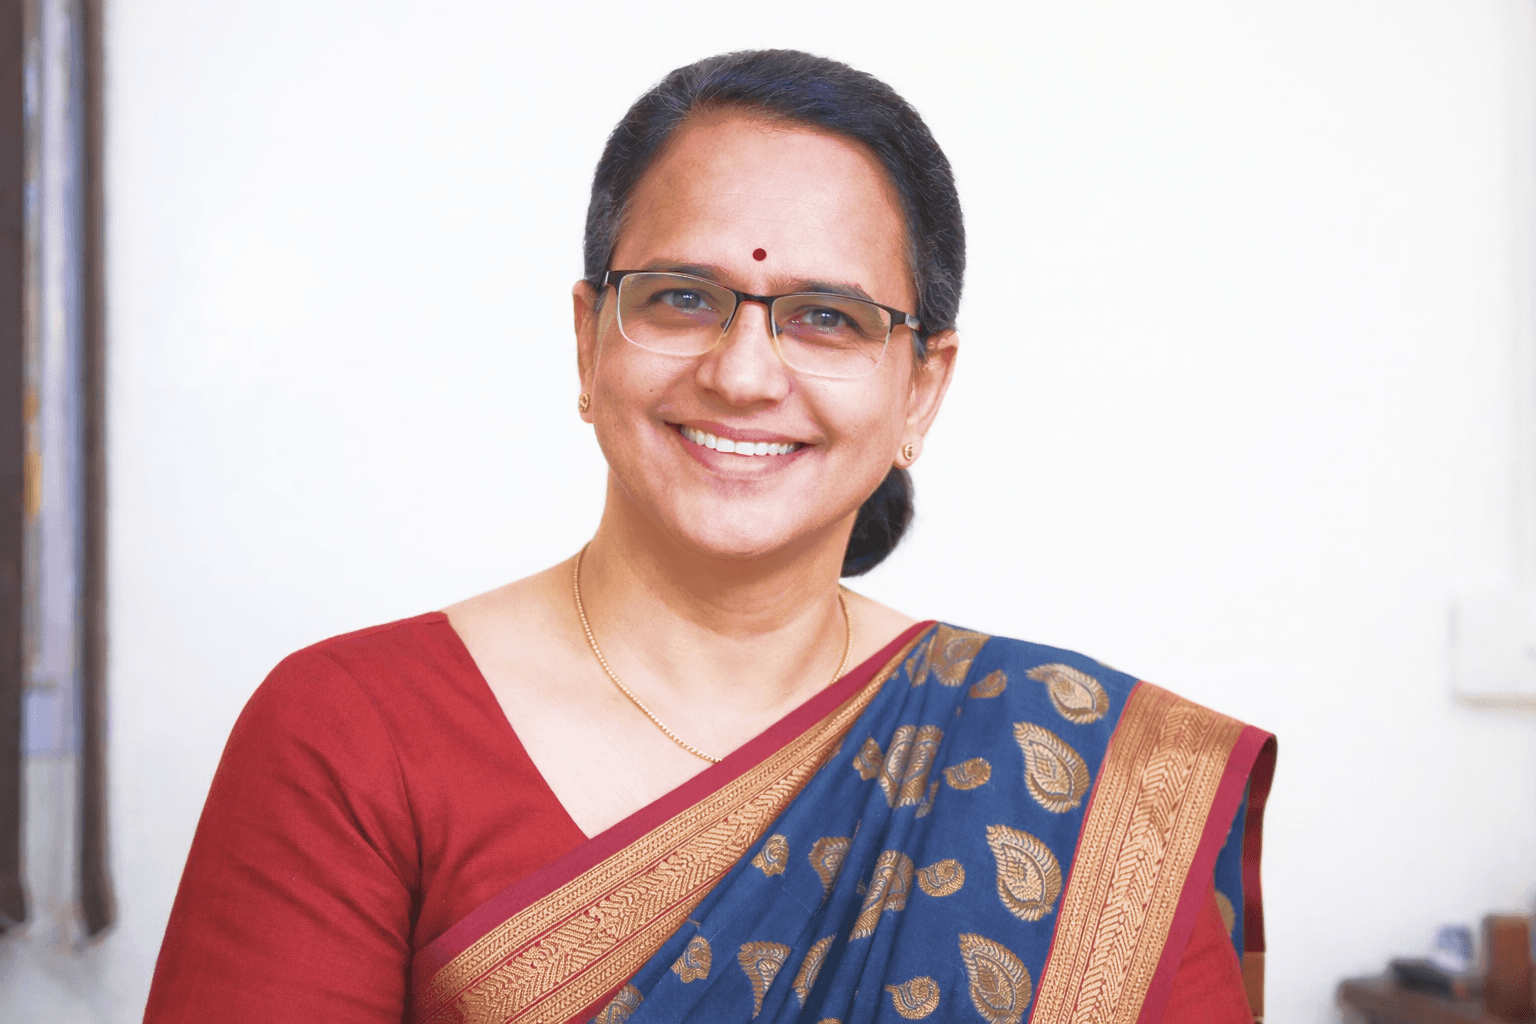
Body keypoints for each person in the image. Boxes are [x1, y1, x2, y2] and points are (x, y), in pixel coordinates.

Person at [144, 50, 1274, 1024]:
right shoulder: (354, 735)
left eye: (827, 317)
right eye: (684, 297)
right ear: (589, 340)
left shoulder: (1095, 785)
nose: (741, 374)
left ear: (921, 389)